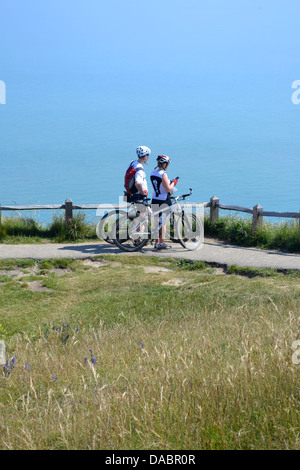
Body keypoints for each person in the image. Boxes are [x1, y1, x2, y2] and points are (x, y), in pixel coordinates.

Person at [150, 155, 179, 249]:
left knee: (156, 222)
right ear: (165, 164)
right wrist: (174, 182)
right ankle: (161, 243)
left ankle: (156, 242)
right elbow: (168, 188)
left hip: (155, 199)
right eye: (168, 164)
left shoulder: (153, 173)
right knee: (163, 223)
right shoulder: (163, 174)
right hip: (164, 200)